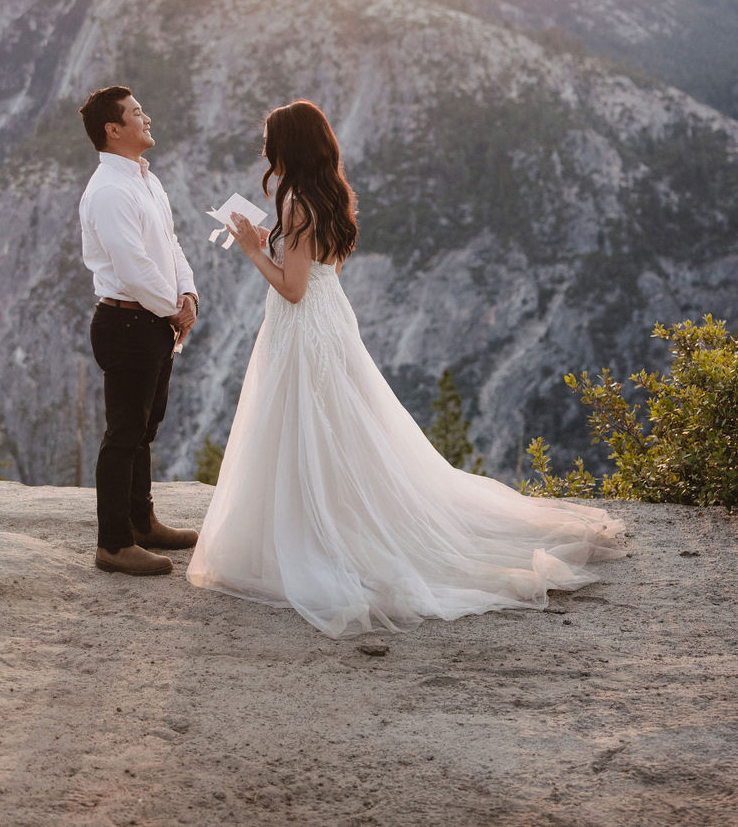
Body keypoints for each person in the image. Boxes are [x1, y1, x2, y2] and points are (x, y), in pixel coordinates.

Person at [187, 99, 625, 636]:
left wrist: (254, 249)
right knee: (337, 428)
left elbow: (293, 289)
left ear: (288, 147)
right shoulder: (332, 194)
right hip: (333, 318)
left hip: (302, 325)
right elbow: (322, 274)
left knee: (304, 425)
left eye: (269, 142)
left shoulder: (297, 202)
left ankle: (314, 532)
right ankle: (331, 520)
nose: (264, 151)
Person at [78, 85, 199, 576]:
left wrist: (187, 294)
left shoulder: (147, 180)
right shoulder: (108, 190)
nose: (145, 117)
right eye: (136, 113)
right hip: (127, 320)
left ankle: (141, 522)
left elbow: (168, 244)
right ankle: (113, 543)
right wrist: (173, 307)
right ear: (114, 129)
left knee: (145, 428)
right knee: (124, 432)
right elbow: (131, 266)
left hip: (151, 319)